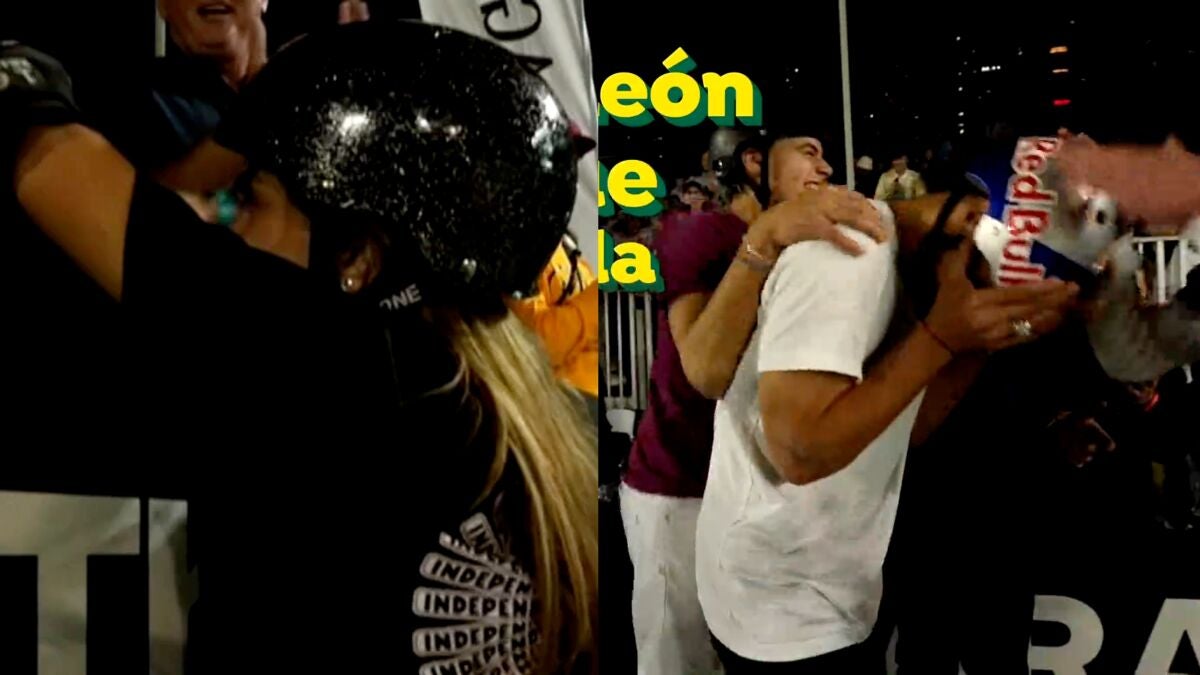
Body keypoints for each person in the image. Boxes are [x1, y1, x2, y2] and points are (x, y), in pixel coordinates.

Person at [2, 21, 596, 674]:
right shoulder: (531, 428)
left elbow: (49, 159)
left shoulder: (326, 369)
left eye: (249, 201)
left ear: (358, 259)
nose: (227, 229)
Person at [695, 150, 1078, 670]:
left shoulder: (912, 270)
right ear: (972, 221)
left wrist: (979, 341)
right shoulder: (849, 251)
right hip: (778, 604)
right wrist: (941, 337)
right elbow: (798, 451)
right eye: (992, 284)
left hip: (832, 584)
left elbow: (903, 431)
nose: (983, 297)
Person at [620, 129, 889, 674]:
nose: (827, 169)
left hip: (747, 501)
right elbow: (705, 371)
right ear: (752, 162)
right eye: (809, 154)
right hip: (681, 489)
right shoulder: (703, 231)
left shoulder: (806, 245)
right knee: (679, 660)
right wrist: (763, 238)